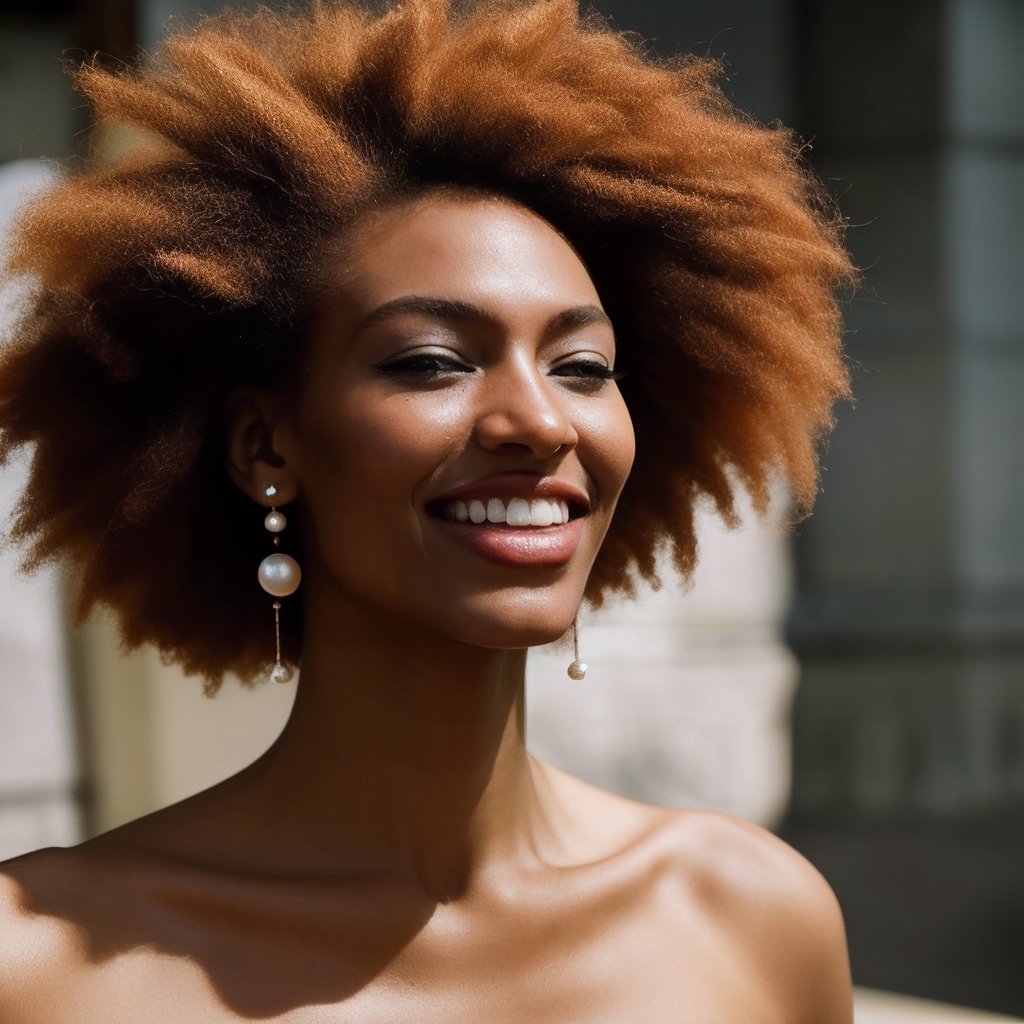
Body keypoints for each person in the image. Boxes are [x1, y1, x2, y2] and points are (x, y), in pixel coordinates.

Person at [0, 0, 855, 1019]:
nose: (539, 420)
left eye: (583, 366)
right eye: (430, 361)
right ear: (266, 446)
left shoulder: (753, 918)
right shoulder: (44, 965)